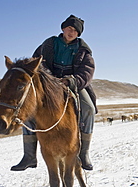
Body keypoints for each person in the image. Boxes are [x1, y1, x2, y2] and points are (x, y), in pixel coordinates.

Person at [11, 15, 96, 171]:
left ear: (78, 34)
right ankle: (29, 156)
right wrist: (49, 79)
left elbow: (87, 72)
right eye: (69, 28)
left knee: (89, 108)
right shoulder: (48, 44)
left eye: (75, 31)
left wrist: (72, 81)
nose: (72, 32)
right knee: (29, 110)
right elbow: (36, 63)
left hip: (74, 84)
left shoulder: (84, 51)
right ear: (63, 28)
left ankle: (84, 153)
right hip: (49, 85)